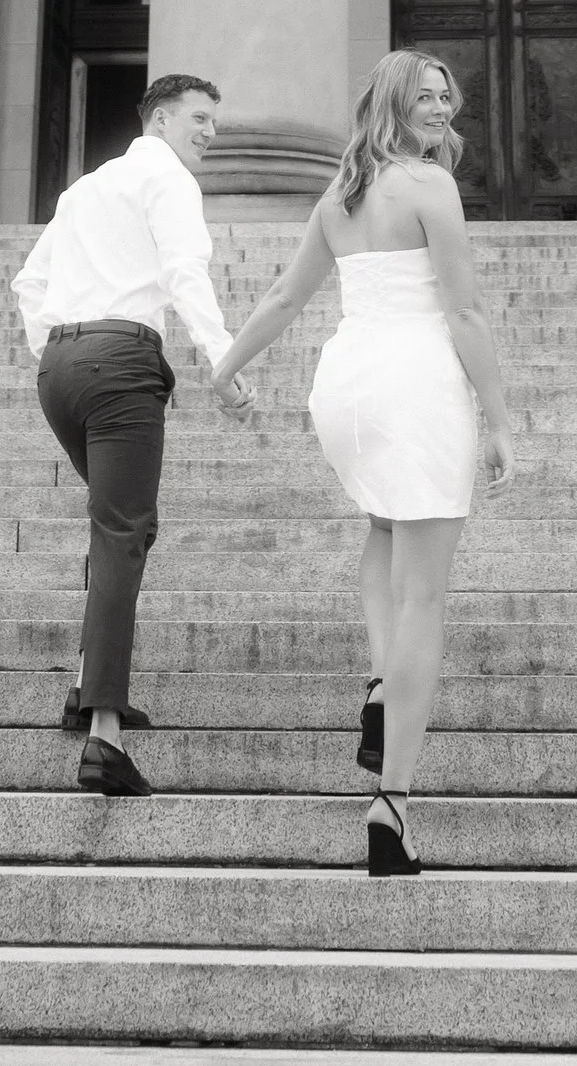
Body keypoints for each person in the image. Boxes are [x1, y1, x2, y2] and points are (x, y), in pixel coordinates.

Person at [215, 50, 513, 873]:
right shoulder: (428, 187)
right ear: (393, 103)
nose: (441, 110)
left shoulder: (340, 195)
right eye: (424, 98)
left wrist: (226, 365)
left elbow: (284, 298)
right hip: (415, 382)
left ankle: (382, 686)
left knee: (384, 527)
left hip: (347, 386)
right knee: (426, 595)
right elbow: (464, 312)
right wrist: (499, 421)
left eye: (447, 98)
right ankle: (392, 807)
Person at [12, 70, 256, 796]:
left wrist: (57, 349)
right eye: (199, 118)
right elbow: (185, 272)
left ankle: (86, 682)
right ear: (158, 120)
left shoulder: (84, 188)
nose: (210, 131)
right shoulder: (169, 180)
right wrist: (224, 359)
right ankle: (104, 736)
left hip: (61, 368)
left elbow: (29, 283)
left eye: (216, 120)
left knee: (118, 530)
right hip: (120, 362)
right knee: (123, 532)